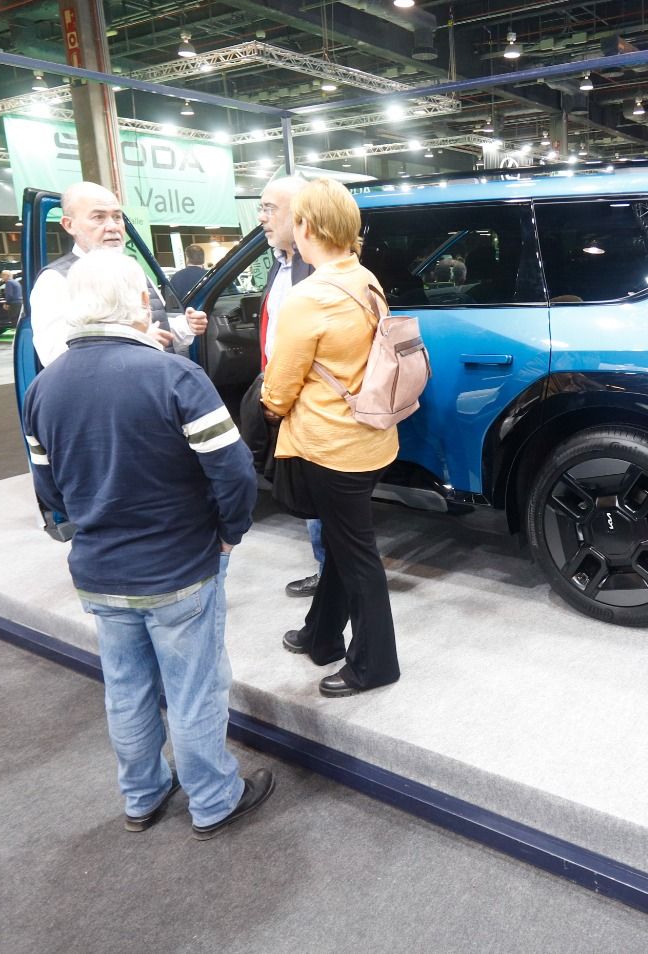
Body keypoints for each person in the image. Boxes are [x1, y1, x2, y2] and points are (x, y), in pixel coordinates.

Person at [21, 249, 274, 839]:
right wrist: (229, 532)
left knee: (127, 690)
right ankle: (213, 800)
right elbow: (234, 472)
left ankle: (142, 795)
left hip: (99, 571)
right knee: (194, 690)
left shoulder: (43, 388)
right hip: (179, 565)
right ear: (139, 303)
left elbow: (48, 488)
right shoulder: (173, 375)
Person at [261, 178, 400, 698]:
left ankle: (375, 664)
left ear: (308, 226)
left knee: (356, 555)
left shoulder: (309, 297)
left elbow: (280, 385)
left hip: (330, 448)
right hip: (372, 440)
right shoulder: (365, 280)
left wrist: (269, 410)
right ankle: (322, 636)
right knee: (346, 547)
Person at [29, 181, 209, 366]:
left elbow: (157, 327)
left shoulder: (133, 270)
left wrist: (185, 326)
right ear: (69, 225)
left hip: (156, 383)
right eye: (98, 217)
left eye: (117, 217)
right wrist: (135, 341)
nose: (113, 226)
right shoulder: (54, 281)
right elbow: (55, 357)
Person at [247, 174, 324, 600]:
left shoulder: (316, 269)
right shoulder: (283, 262)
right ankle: (330, 568)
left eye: (269, 207)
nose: (262, 217)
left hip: (305, 400)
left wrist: (277, 400)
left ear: (300, 213)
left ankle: (332, 573)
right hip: (290, 395)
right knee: (311, 489)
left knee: (317, 490)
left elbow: (306, 345)